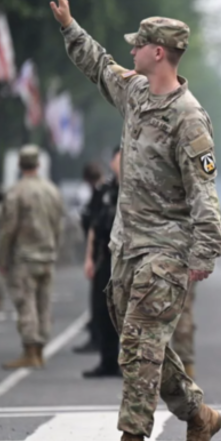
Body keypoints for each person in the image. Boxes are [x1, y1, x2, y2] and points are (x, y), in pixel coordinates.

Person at [51, 0, 221, 441]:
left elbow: (204, 192)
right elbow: (99, 65)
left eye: (137, 44)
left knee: (138, 340)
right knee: (140, 342)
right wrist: (69, 26)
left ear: (158, 52)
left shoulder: (189, 119)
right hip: (126, 244)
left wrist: (203, 254)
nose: (130, 50)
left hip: (168, 248)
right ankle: (199, 416)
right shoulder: (134, 92)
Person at [0, 145, 65, 369]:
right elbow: (59, 226)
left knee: (26, 303)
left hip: (25, 257)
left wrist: (3, 258)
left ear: (20, 165)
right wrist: (55, 248)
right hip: (47, 255)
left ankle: (30, 348)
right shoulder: (52, 191)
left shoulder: (16, 192)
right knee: (44, 304)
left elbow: (9, 229)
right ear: (38, 164)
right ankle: (40, 350)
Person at [83, 147, 122, 378]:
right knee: (102, 309)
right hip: (105, 257)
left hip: (129, 258)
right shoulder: (105, 191)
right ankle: (107, 361)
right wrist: (89, 257)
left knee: (128, 314)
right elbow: (94, 227)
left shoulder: (138, 189)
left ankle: (130, 363)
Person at [75, 162, 105, 354]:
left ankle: (100, 336)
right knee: (98, 297)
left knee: (101, 298)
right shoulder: (99, 194)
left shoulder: (101, 195)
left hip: (104, 250)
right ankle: (98, 335)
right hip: (101, 250)